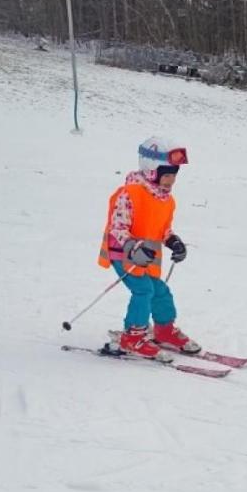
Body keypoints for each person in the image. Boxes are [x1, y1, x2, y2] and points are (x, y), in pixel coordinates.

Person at [97, 136, 201, 360]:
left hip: (147, 257)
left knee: (160, 291)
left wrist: (174, 241)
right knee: (143, 290)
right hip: (124, 253)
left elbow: (163, 229)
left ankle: (164, 329)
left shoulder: (166, 200)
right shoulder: (130, 193)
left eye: (174, 175)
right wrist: (134, 247)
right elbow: (118, 227)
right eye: (167, 175)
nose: (171, 180)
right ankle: (132, 336)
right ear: (152, 171)